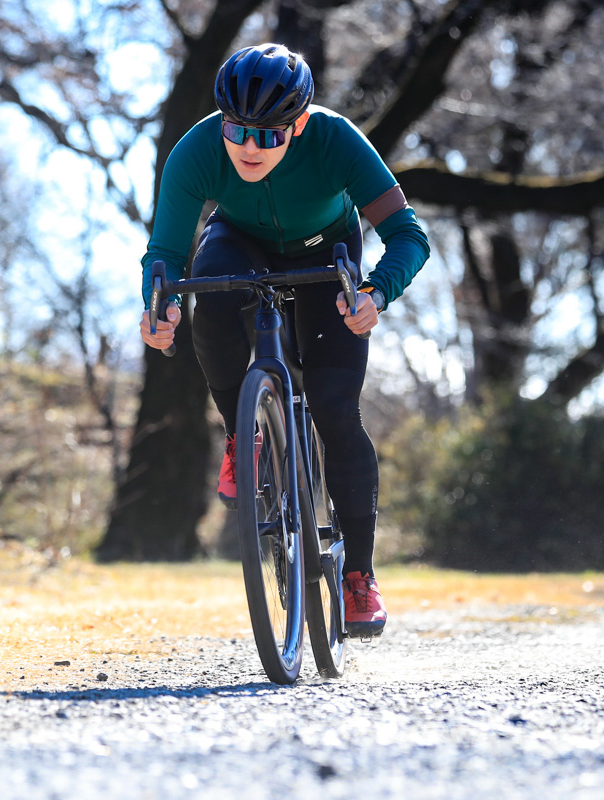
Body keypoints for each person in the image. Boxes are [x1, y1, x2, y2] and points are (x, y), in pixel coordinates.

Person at [138, 43, 430, 638]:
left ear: (298, 125)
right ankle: (241, 434)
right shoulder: (195, 151)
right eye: (237, 130)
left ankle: (358, 578)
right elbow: (166, 256)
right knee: (209, 288)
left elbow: (408, 235)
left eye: (268, 136)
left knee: (333, 407)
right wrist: (158, 306)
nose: (248, 147)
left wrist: (375, 293)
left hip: (329, 253)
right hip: (238, 242)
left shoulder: (337, 140)